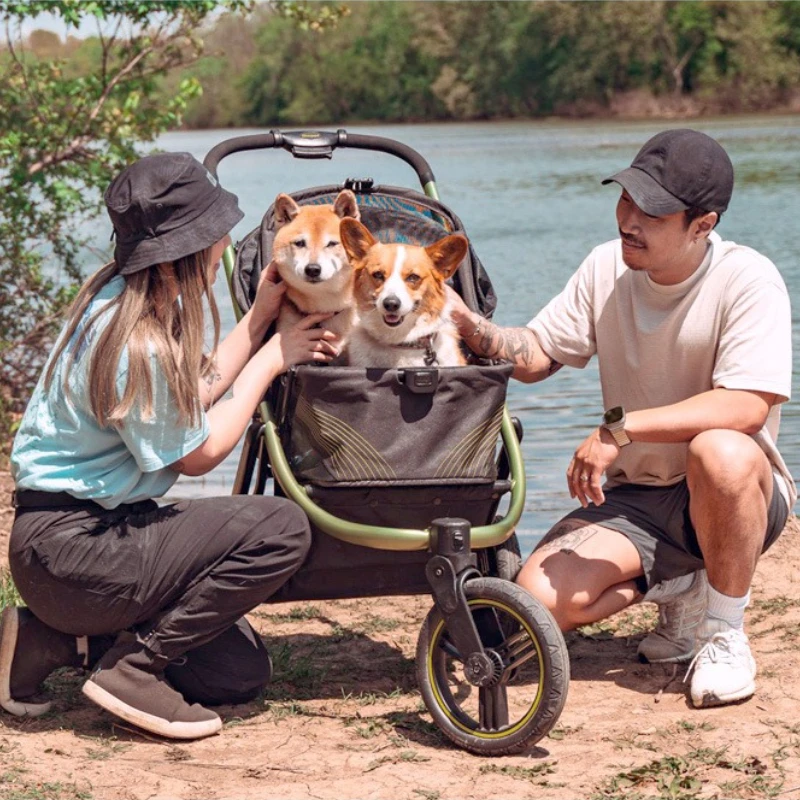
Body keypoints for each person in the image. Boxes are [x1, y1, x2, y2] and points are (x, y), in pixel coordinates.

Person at [448, 128, 795, 708]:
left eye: (652, 212)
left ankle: (724, 631)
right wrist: (472, 328)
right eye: (627, 198)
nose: (629, 219)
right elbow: (537, 356)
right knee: (541, 600)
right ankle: (684, 584)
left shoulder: (749, 279)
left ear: (702, 225)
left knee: (721, 449)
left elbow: (746, 406)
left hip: (738, 491)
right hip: (640, 498)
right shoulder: (605, 267)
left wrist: (619, 427)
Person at [2, 152, 340, 740]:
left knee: (237, 673)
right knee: (281, 527)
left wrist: (261, 319)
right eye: (212, 238)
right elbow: (199, 455)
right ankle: (131, 669)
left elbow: (195, 392)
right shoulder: (139, 342)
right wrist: (272, 360)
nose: (222, 248)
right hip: (76, 551)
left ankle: (46, 639)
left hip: (73, 550)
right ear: (180, 255)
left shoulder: (116, 295)